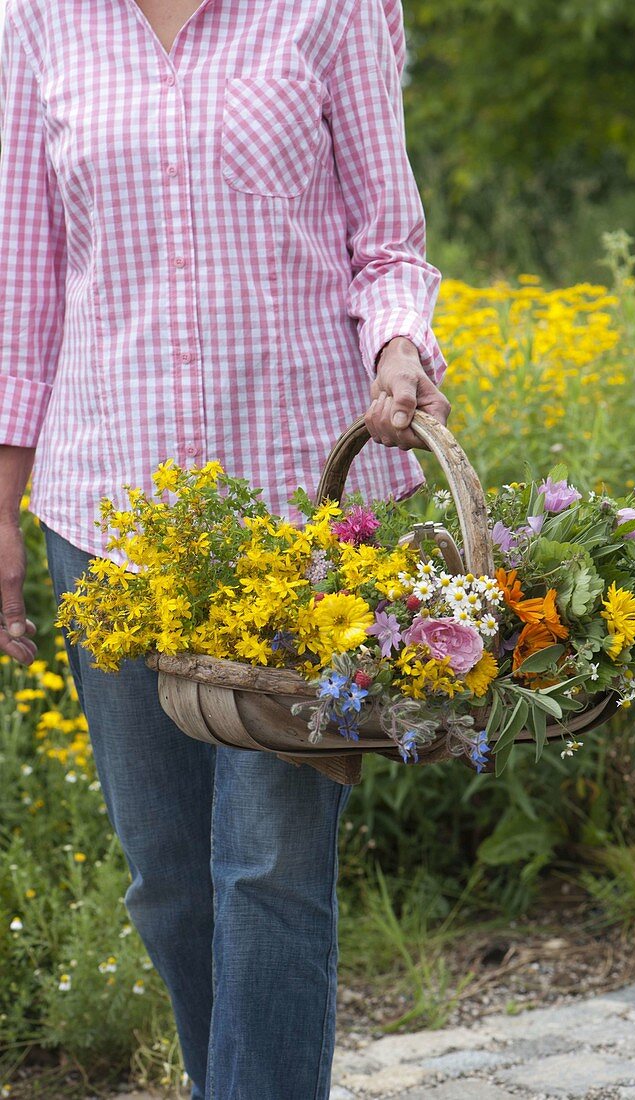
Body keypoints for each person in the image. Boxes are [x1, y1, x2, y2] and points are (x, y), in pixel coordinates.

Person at [0, 0, 450, 1096]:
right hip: (106, 516)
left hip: (300, 519)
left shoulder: (331, 8)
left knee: (269, 866)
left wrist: (400, 346)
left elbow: (386, 238)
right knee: (167, 878)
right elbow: (21, 299)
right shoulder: (36, 19)